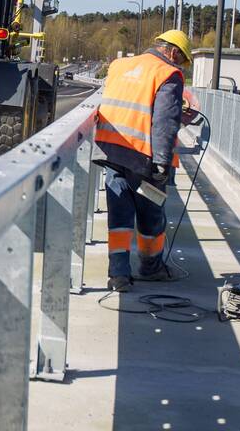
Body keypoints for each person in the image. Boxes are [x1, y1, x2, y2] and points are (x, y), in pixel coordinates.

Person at [92, 30, 193, 292]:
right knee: (151, 214)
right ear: (173, 52)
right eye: (180, 60)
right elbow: (164, 123)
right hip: (144, 157)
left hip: (111, 150)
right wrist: (161, 164)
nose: (179, 65)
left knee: (119, 214)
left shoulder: (120, 65)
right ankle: (151, 268)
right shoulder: (168, 74)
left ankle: (118, 275)